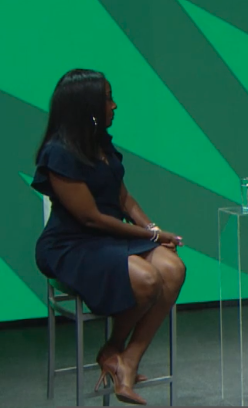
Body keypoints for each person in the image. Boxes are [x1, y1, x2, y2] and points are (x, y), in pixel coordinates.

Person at [32, 69, 186, 405]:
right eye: (108, 99)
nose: (114, 106)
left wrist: (155, 231)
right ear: (86, 105)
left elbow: (123, 200)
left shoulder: (101, 143)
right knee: (146, 280)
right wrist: (151, 236)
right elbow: (91, 218)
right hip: (72, 244)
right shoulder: (58, 153)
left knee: (173, 269)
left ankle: (126, 357)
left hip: (110, 239)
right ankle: (113, 348)